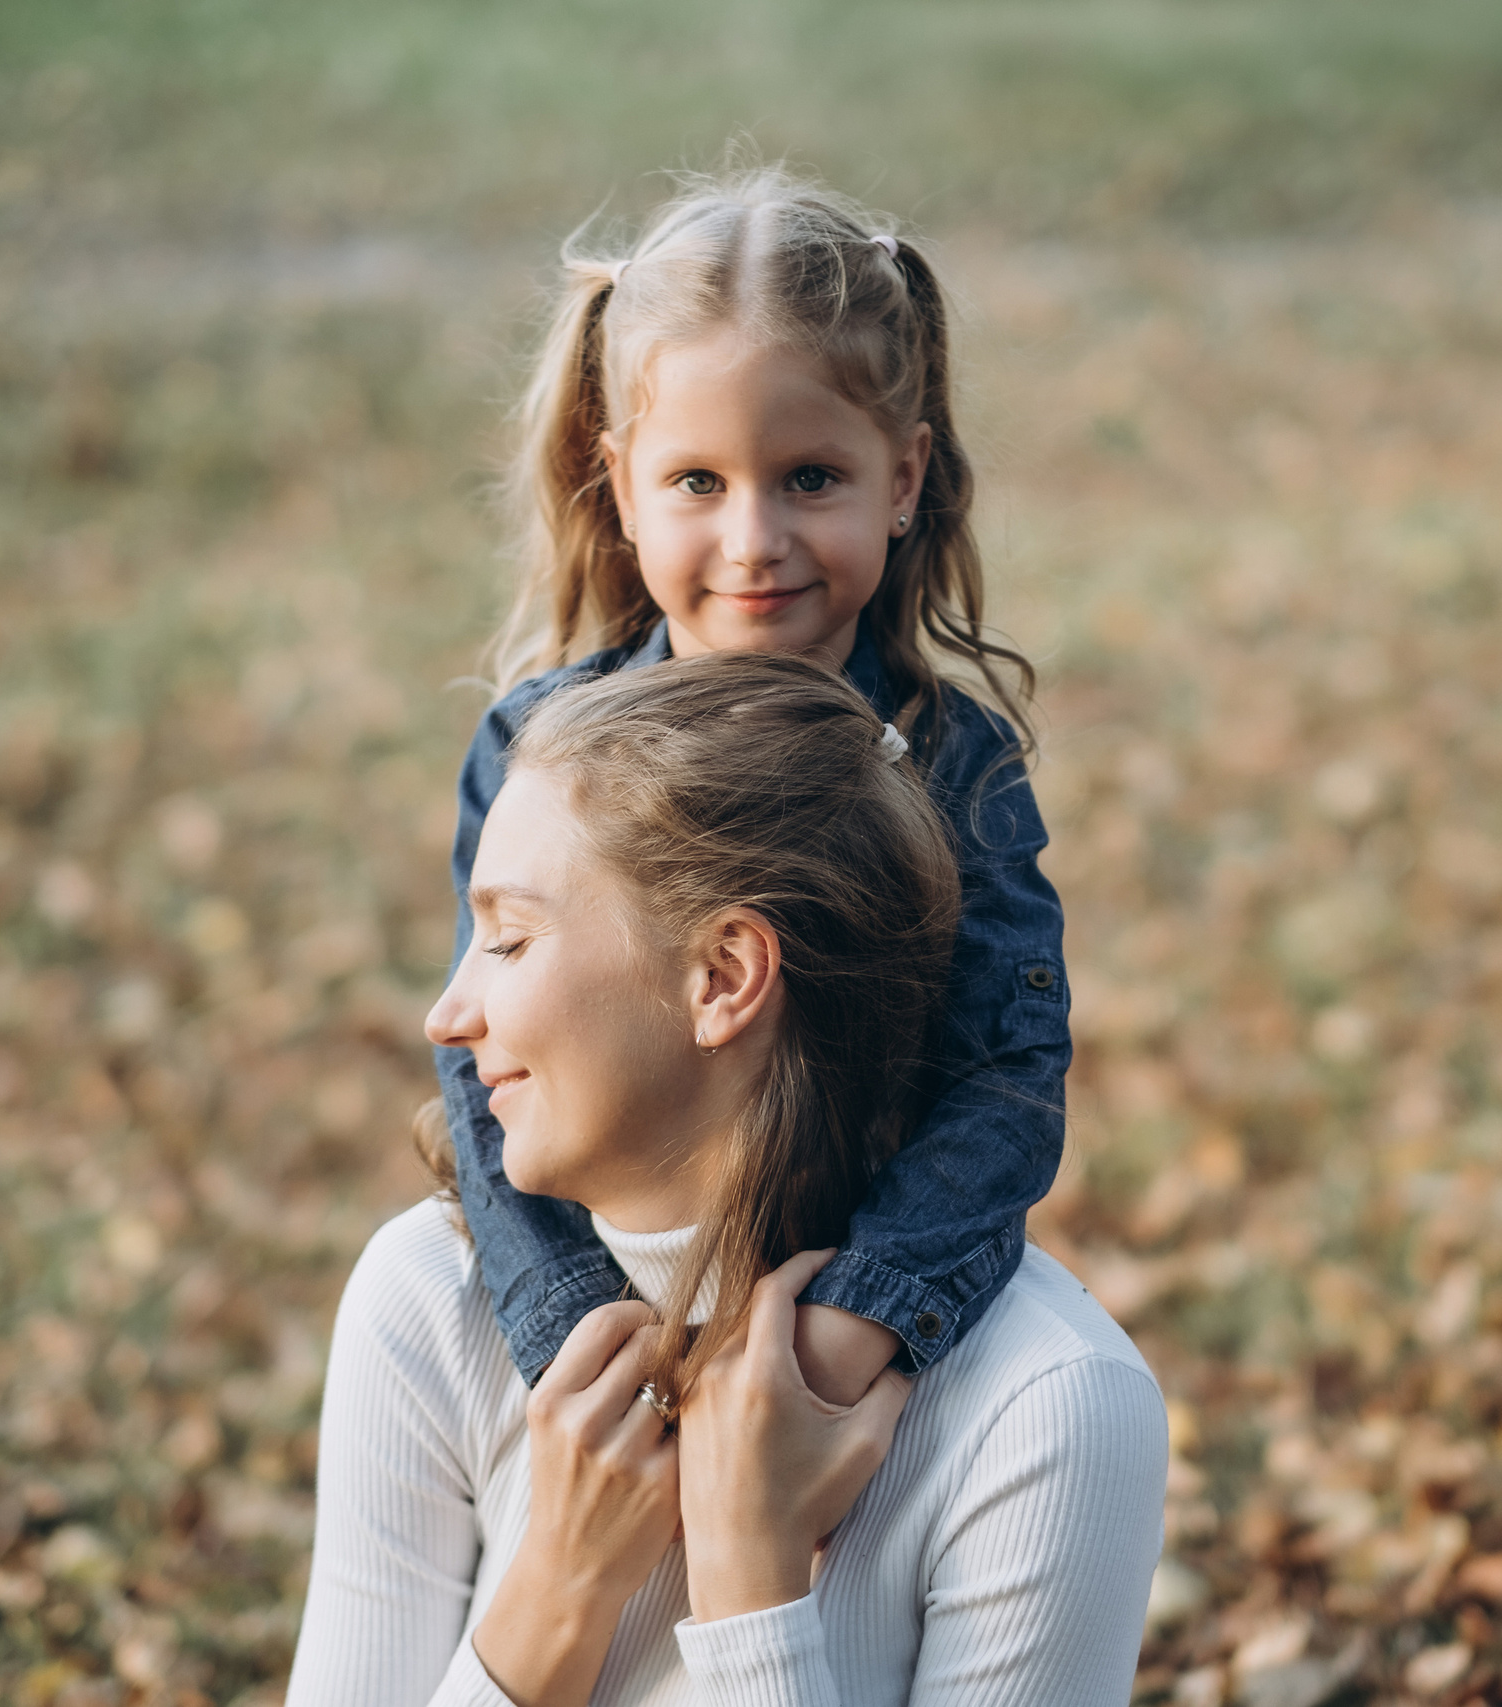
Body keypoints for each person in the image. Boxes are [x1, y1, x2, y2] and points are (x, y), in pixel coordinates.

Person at [284, 654, 1165, 1705]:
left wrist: (752, 1582)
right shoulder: (429, 1300)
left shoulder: (1049, 1406)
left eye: (510, 939)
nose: (445, 1015)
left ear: (723, 978)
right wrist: (556, 1595)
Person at [435, 165, 1069, 1414]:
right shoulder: (539, 752)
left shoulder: (955, 766)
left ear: (902, 477)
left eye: (811, 478)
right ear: (616, 486)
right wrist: (576, 1327)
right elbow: (483, 1065)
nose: (752, 539)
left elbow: (1005, 1069)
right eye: (696, 483)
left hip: (857, 1320)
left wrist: (852, 1328)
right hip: (615, 1303)